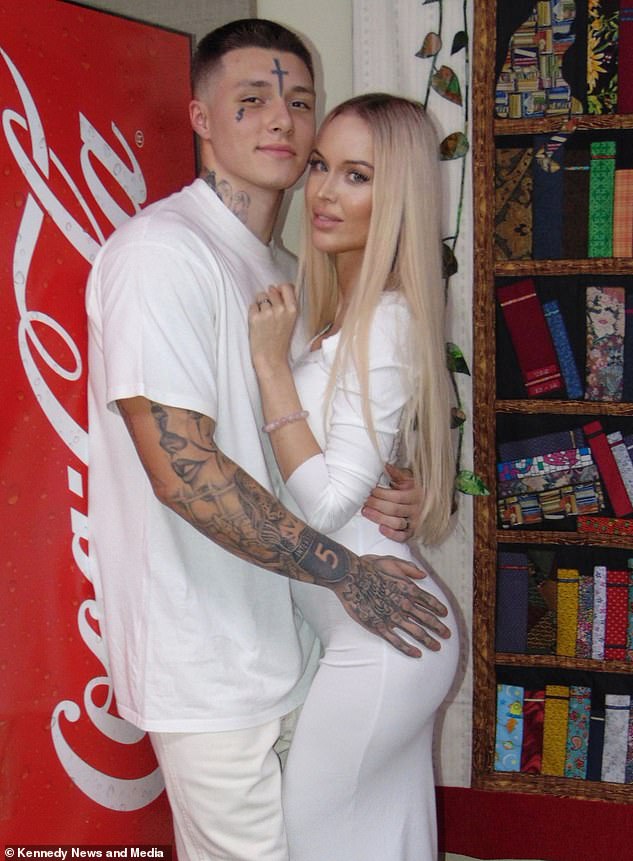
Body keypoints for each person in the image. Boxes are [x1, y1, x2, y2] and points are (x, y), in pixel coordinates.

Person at [85, 19, 452, 861]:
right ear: (201, 117)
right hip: (206, 660)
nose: (281, 121)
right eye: (250, 101)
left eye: (297, 101)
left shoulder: (285, 266)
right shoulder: (161, 254)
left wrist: (381, 484)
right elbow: (181, 472)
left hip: (289, 640)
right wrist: (347, 570)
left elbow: (314, 441)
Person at [248, 93, 460, 860]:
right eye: (319, 167)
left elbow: (330, 501)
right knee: (391, 844)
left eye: (357, 175)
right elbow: (348, 472)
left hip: (379, 640)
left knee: (311, 840)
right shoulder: (341, 315)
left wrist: (271, 369)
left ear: (396, 195)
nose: (325, 192)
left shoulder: (387, 320)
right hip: (379, 629)